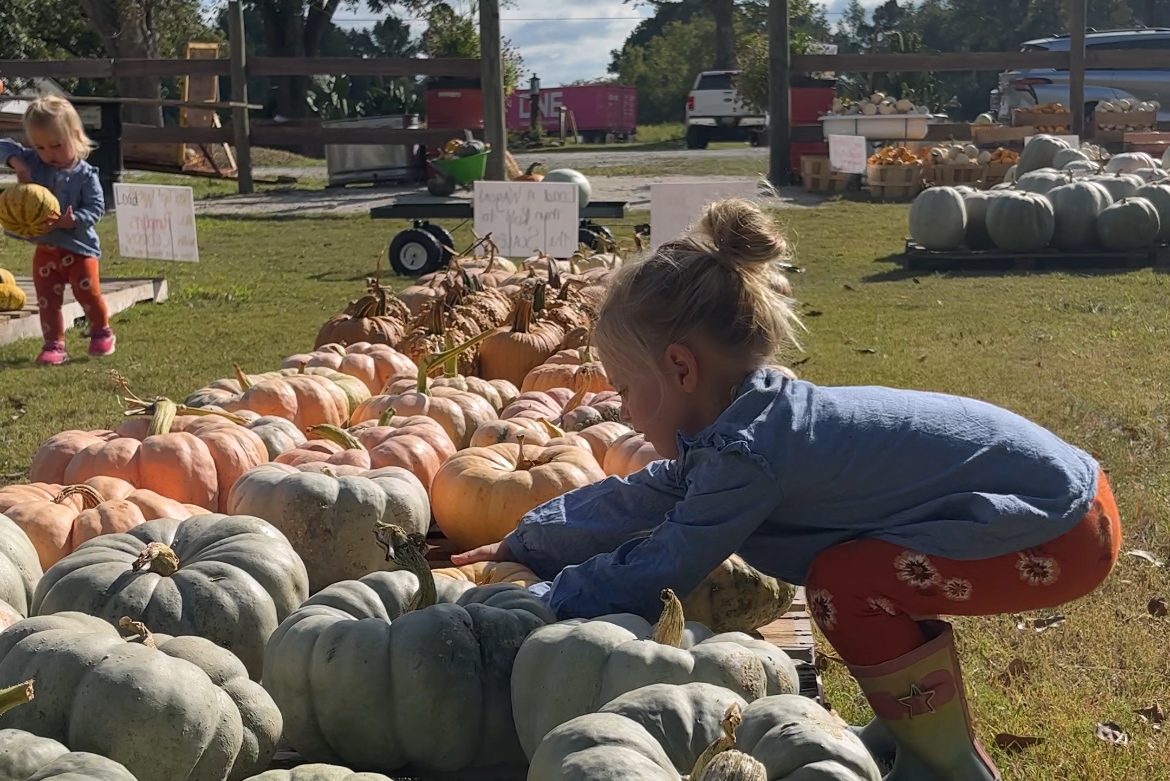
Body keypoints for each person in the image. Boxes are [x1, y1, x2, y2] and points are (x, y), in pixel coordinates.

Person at [452, 198, 1120, 780]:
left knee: (846, 583)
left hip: (1053, 530)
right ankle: (908, 735)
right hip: (1066, 501)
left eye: (625, 392)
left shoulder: (749, 453)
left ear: (679, 368)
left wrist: (545, 599)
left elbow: (664, 564)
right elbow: (652, 492)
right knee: (867, 574)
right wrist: (533, 536)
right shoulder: (750, 419)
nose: (624, 412)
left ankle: (950, 766)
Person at [1, 95, 114, 365]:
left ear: (75, 136)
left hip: (80, 249)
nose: (48, 153)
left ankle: (101, 330)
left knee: (87, 293)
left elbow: (96, 208)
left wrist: (72, 221)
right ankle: (54, 345)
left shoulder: (86, 175)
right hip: (46, 249)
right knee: (47, 301)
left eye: (56, 145)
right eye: (39, 147)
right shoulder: (35, 163)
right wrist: (17, 162)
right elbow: (1, 146)